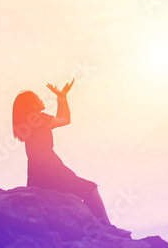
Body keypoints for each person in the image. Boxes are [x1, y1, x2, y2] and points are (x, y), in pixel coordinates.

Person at [12, 78, 112, 225]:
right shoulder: (41, 119)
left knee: (56, 200)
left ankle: (97, 225)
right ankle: (106, 225)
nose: (41, 99)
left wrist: (61, 97)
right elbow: (65, 119)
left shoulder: (32, 122)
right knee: (90, 189)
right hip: (51, 167)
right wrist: (62, 98)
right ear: (33, 104)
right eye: (37, 97)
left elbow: (63, 119)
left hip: (36, 170)